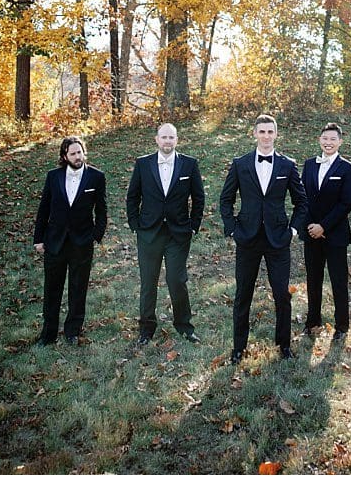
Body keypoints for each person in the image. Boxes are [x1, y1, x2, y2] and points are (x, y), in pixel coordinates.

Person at [220, 114, 308, 360]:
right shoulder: (240, 163)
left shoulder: (287, 165)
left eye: (270, 132)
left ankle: (284, 345)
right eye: (262, 132)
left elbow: (301, 202)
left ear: (276, 134)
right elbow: (226, 200)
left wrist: (292, 230)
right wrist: (233, 228)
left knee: (282, 293)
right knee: (243, 294)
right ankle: (239, 347)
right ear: (255, 134)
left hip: (278, 239)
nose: (266, 136)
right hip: (247, 238)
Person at [128, 123, 204, 345]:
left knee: (176, 279)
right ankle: (146, 328)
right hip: (149, 233)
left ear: (177, 140)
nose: (168, 141)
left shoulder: (189, 164)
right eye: (164, 137)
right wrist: (135, 224)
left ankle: (184, 326)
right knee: (148, 281)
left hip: (178, 233)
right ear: (157, 140)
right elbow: (133, 196)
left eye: (172, 137)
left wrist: (193, 225)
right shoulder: (143, 164)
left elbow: (198, 198)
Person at [34, 135, 108, 346]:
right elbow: (43, 210)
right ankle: (47, 335)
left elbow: (102, 210)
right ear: (64, 156)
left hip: (82, 243)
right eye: (73, 153)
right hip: (54, 242)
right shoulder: (53, 176)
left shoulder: (96, 177)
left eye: (80, 152)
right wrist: (38, 239)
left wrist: (96, 235)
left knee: (78, 289)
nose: (78, 157)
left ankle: (72, 331)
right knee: (52, 290)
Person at [301, 122, 351, 340]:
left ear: (340, 142)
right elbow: (302, 198)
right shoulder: (309, 165)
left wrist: (323, 226)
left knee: (338, 280)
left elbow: (346, 203)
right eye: (325, 139)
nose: (328, 142)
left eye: (333, 139)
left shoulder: (347, 168)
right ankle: (312, 321)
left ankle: (342, 326)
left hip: (335, 234)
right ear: (319, 140)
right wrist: (310, 226)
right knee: (313, 278)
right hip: (311, 233)